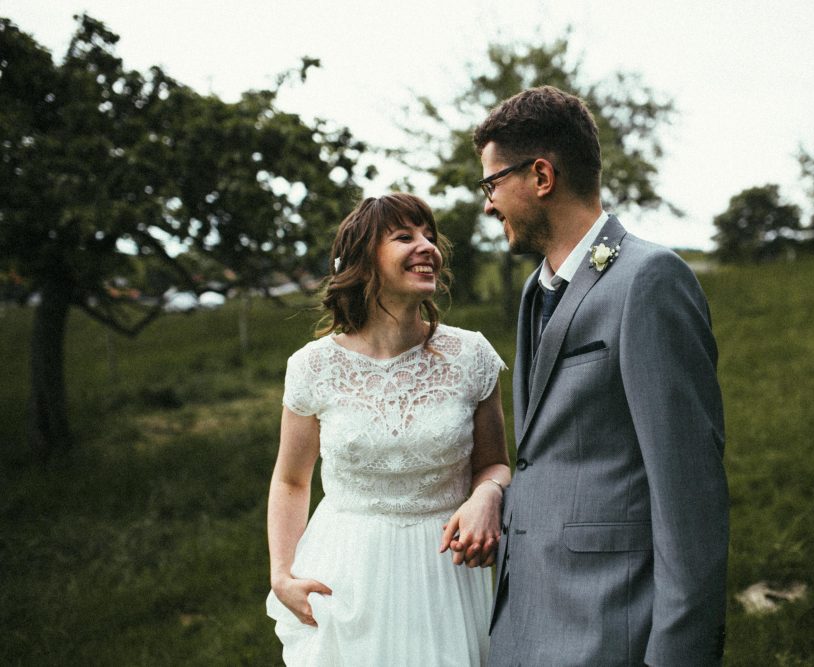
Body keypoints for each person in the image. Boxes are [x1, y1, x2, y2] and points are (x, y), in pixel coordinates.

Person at [471, 86, 728, 666]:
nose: (489, 205)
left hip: (614, 627)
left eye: (492, 184)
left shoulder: (649, 280)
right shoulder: (536, 294)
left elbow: (690, 497)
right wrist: (495, 495)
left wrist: (678, 656)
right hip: (528, 623)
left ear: (541, 176)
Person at [265, 193, 511, 666]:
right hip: (345, 572)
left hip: (447, 574)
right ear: (363, 262)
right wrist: (281, 573)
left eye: (429, 236)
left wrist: (487, 496)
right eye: (405, 237)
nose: (427, 247)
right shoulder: (312, 367)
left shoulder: (472, 356)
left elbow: (494, 463)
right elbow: (291, 480)